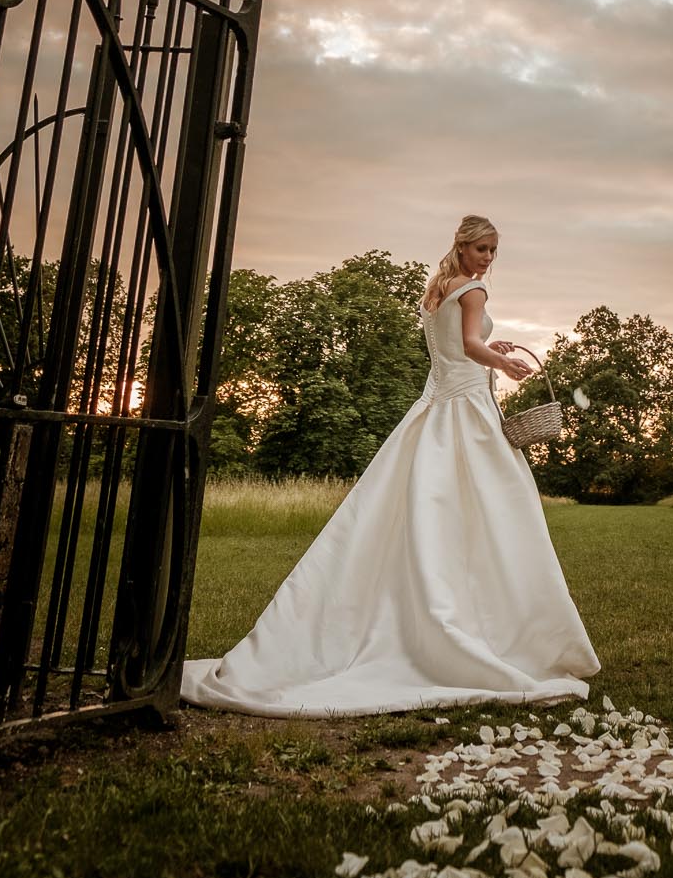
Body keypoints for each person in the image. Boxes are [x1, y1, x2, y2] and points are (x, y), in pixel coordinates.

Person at [179, 214, 601, 714]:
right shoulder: (473, 292)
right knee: (494, 512)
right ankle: (494, 627)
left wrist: (493, 348)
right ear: (463, 247)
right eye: (482, 249)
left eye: (493, 251)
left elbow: (455, 348)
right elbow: (467, 346)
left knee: (434, 507)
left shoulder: (439, 288)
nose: (488, 259)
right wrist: (502, 363)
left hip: (438, 406)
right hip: (466, 410)